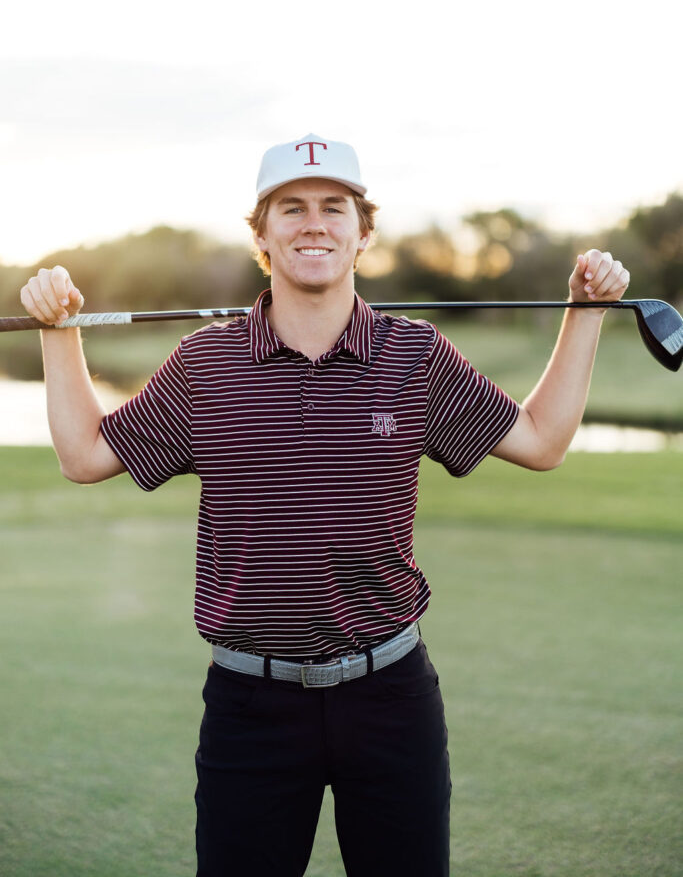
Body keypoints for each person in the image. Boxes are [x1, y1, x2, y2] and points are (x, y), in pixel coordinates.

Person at [20, 133, 629, 877]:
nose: (315, 223)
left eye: (333, 208)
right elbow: (85, 455)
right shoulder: (204, 366)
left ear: (361, 232)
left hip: (389, 699)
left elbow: (540, 440)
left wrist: (585, 312)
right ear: (262, 235)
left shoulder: (415, 355)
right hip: (251, 706)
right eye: (292, 208)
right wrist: (60, 333)